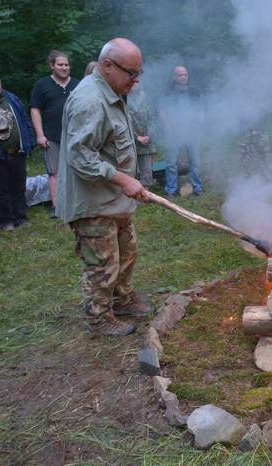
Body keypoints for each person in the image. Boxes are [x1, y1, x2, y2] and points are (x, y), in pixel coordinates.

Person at [56, 38, 152, 337]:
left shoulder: (112, 92)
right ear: (107, 65)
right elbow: (80, 157)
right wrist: (124, 179)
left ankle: (121, 299)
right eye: (131, 73)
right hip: (94, 203)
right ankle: (99, 318)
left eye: (139, 73)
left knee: (126, 252)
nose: (135, 80)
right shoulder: (90, 101)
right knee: (102, 263)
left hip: (114, 199)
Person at [29, 50, 79, 218]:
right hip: (52, 137)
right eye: (60, 65)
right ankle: (56, 207)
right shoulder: (42, 85)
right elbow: (35, 110)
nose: (64, 68)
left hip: (75, 136)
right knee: (54, 173)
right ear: (52, 66)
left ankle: (76, 203)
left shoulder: (78, 85)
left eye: (66, 65)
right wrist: (40, 135)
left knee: (78, 170)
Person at [0, 70, 35, 231]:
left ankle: (21, 217)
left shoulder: (12, 98)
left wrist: (29, 142)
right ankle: (6, 220)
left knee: (19, 186)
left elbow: (24, 120)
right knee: (1, 190)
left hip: (17, 151)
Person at [159, 66, 203, 199]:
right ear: (174, 77)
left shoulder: (194, 91)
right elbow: (162, 111)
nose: (183, 77)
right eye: (180, 75)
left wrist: (200, 121)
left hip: (191, 131)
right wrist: (168, 126)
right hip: (174, 132)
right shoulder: (168, 92)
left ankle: (197, 188)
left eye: (185, 74)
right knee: (171, 163)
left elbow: (200, 108)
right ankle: (171, 190)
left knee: (195, 162)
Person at [128, 81, 157, 187]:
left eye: (137, 82)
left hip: (146, 143)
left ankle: (145, 192)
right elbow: (123, 122)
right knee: (130, 171)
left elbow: (153, 119)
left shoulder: (146, 98)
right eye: (133, 81)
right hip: (129, 143)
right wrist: (136, 137)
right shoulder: (123, 99)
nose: (134, 84)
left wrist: (149, 135)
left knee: (146, 171)